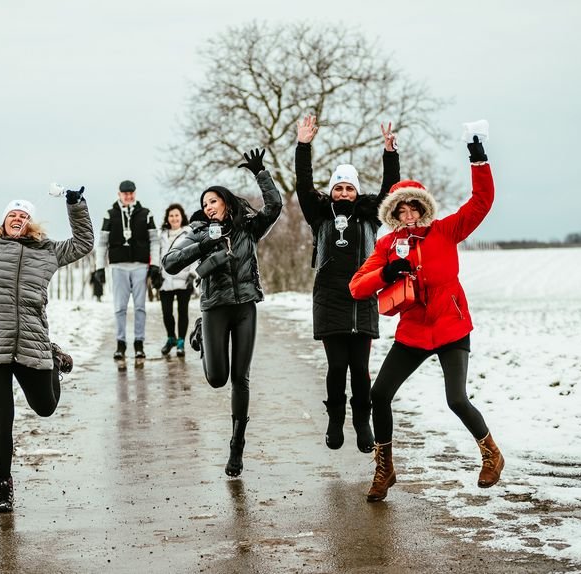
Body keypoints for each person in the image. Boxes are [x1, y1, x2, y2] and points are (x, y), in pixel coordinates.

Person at [349, 128, 503, 502]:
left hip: (451, 327)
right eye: (399, 210)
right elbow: (356, 286)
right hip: (414, 332)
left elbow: (481, 201)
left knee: (456, 398)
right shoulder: (387, 245)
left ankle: (491, 454)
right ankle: (384, 468)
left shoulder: (445, 231)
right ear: (392, 214)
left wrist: (477, 157)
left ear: (423, 208)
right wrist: (387, 272)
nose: (407, 215)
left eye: (413, 207)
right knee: (379, 394)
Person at [0, 133, 94, 513]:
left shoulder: (47, 253)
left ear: (30, 224)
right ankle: (3, 488)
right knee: (2, 420)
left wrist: (76, 204)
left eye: (23, 216)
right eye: (11, 215)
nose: (17, 218)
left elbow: (84, 244)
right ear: (3, 222)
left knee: (46, 408)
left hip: (32, 342)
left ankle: (54, 359)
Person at [163, 148, 282, 477]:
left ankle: (236, 445)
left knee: (240, 379)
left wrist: (261, 174)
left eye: (212, 201)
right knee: (217, 379)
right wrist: (204, 246)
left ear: (226, 203)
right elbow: (170, 263)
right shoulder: (197, 232)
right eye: (203, 204)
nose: (207, 207)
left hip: (244, 307)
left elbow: (274, 207)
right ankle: (201, 330)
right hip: (214, 309)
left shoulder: (247, 228)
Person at [295, 115, 400, 454]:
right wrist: (303, 145)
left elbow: (390, 192)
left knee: (360, 369)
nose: (343, 192)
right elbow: (302, 183)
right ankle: (335, 419)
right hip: (330, 298)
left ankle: (361, 421)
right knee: (337, 365)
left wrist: (389, 153)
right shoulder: (320, 214)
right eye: (338, 186)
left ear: (356, 191)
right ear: (331, 190)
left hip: (363, 297)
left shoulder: (370, 215)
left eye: (349, 187)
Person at [94, 180, 160, 360]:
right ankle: (120, 344)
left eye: (131, 193)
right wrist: (99, 267)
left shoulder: (146, 214)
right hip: (118, 266)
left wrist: (155, 265)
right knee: (120, 307)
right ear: (119, 194)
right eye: (125, 193)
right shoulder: (110, 215)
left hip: (140, 266)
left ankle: (139, 344)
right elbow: (101, 244)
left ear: (135, 194)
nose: (128, 196)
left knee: (140, 307)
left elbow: (154, 241)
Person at [158, 203, 197, 357]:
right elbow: (158, 254)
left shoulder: (189, 233)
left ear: (182, 217)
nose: (174, 218)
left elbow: (195, 253)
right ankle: (171, 338)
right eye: (171, 215)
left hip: (184, 277)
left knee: (182, 312)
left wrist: (193, 274)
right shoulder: (162, 235)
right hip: (165, 279)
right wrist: (156, 273)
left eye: (177, 215)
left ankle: (181, 342)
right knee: (167, 312)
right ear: (168, 218)